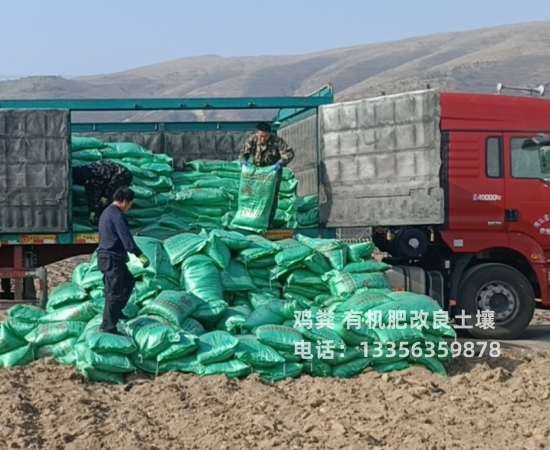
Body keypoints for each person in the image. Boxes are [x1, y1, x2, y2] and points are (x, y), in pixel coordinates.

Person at [97, 186, 149, 335]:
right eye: (130, 203)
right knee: (113, 293)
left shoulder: (107, 212)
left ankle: (117, 312)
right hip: (112, 259)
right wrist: (139, 254)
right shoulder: (117, 215)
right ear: (125, 201)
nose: (130, 207)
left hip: (110, 258)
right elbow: (126, 238)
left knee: (128, 282)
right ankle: (108, 326)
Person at [239, 122, 295, 227]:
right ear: (257, 134)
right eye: (260, 136)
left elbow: (289, 153)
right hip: (257, 173)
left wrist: (281, 162)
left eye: (265, 136)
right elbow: (243, 153)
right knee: (254, 195)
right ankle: (253, 219)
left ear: (270, 134)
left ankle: (268, 221)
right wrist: (243, 161)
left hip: (272, 173)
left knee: (271, 197)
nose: (263, 139)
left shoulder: (277, 141)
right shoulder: (252, 140)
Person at [72, 160, 133, 226]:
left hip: (122, 176)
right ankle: (105, 224)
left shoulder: (98, 169)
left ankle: (117, 223)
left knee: (112, 199)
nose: (87, 183)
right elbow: (90, 196)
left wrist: (105, 195)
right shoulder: (88, 181)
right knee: (101, 203)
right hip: (109, 184)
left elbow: (112, 179)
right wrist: (92, 211)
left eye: (87, 181)